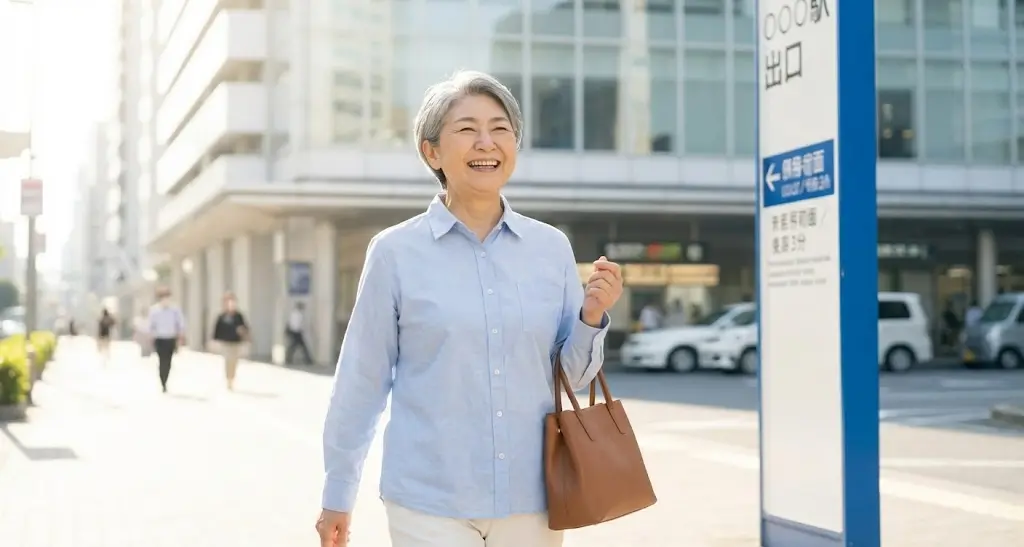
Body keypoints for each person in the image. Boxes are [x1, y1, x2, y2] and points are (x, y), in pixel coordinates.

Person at [315, 70, 624, 547]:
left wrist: (591, 317)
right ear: (431, 151)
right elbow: (361, 381)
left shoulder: (551, 248)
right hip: (428, 497)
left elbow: (573, 377)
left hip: (534, 496)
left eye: (501, 129)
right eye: (467, 129)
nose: (487, 142)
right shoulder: (394, 252)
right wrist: (338, 491)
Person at [147, 287, 186, 393]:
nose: (165, 300)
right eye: (163, 297)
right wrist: (151, 336)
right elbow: (150, 325)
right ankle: (162, 381)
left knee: (168, 360)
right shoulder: (154, 310)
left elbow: (180, 323)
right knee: (161, 360)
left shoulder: (175, 310)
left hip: (170, 338)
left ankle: (166, 378)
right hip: (159, 338)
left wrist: (181, 335)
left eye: (167, 297)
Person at [211, 292, 249, 391]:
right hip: (226, 342)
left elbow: (245, 327)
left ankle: (232, 377)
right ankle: (229, 379)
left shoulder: (238, 316)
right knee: (228, 360)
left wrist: (243, 332)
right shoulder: (222, 316)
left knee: (234, 361)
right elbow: (217, 329)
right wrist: (214, 341)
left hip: (236, 342)